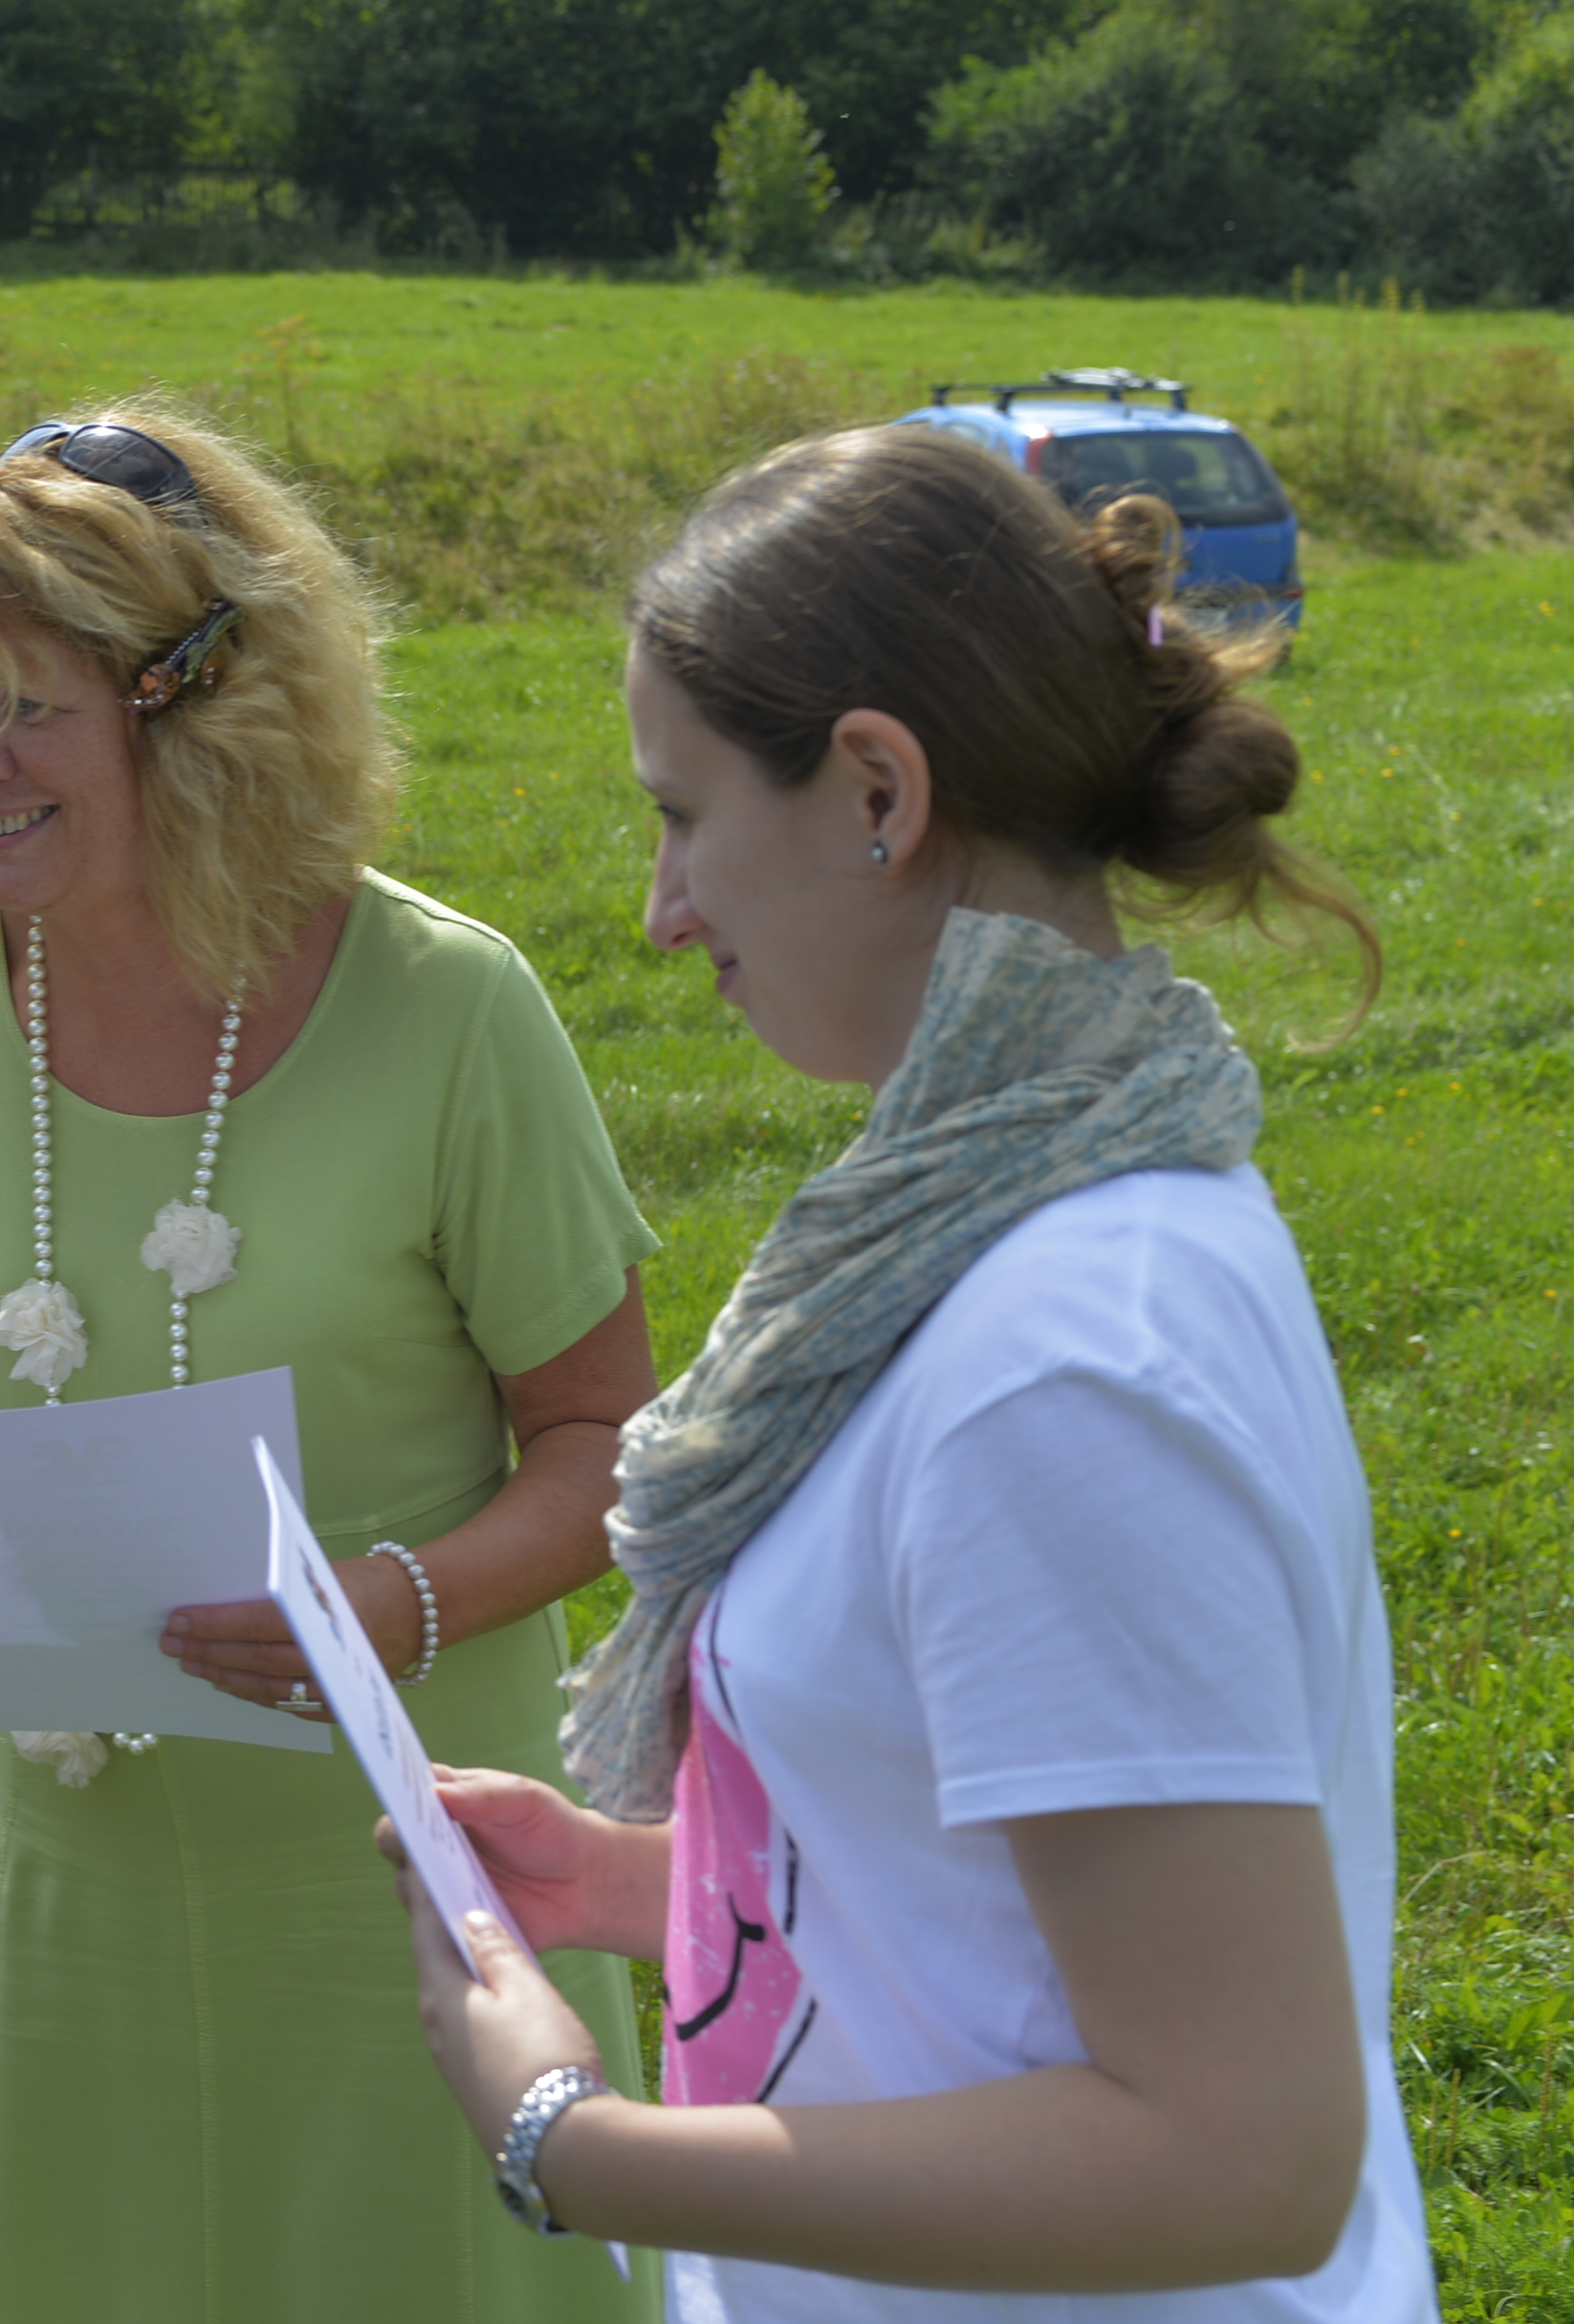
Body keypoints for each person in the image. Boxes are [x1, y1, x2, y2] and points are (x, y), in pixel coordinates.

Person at [0, 405, 664, 2321]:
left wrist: (394, 1604)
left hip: (418, 1898)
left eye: (29, 706)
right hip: (78, 1923)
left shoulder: (450, 1008)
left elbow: (606, 1438)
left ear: (202, 710)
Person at [388, 426, 1434, 2322]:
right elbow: (994, 1878)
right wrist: (632, 1885)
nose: (662, 908)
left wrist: (569, 2136)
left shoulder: (1061, 1368)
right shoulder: (1007, 1215)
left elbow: (1246, 2155)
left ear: (878, 790)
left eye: (683, 813)